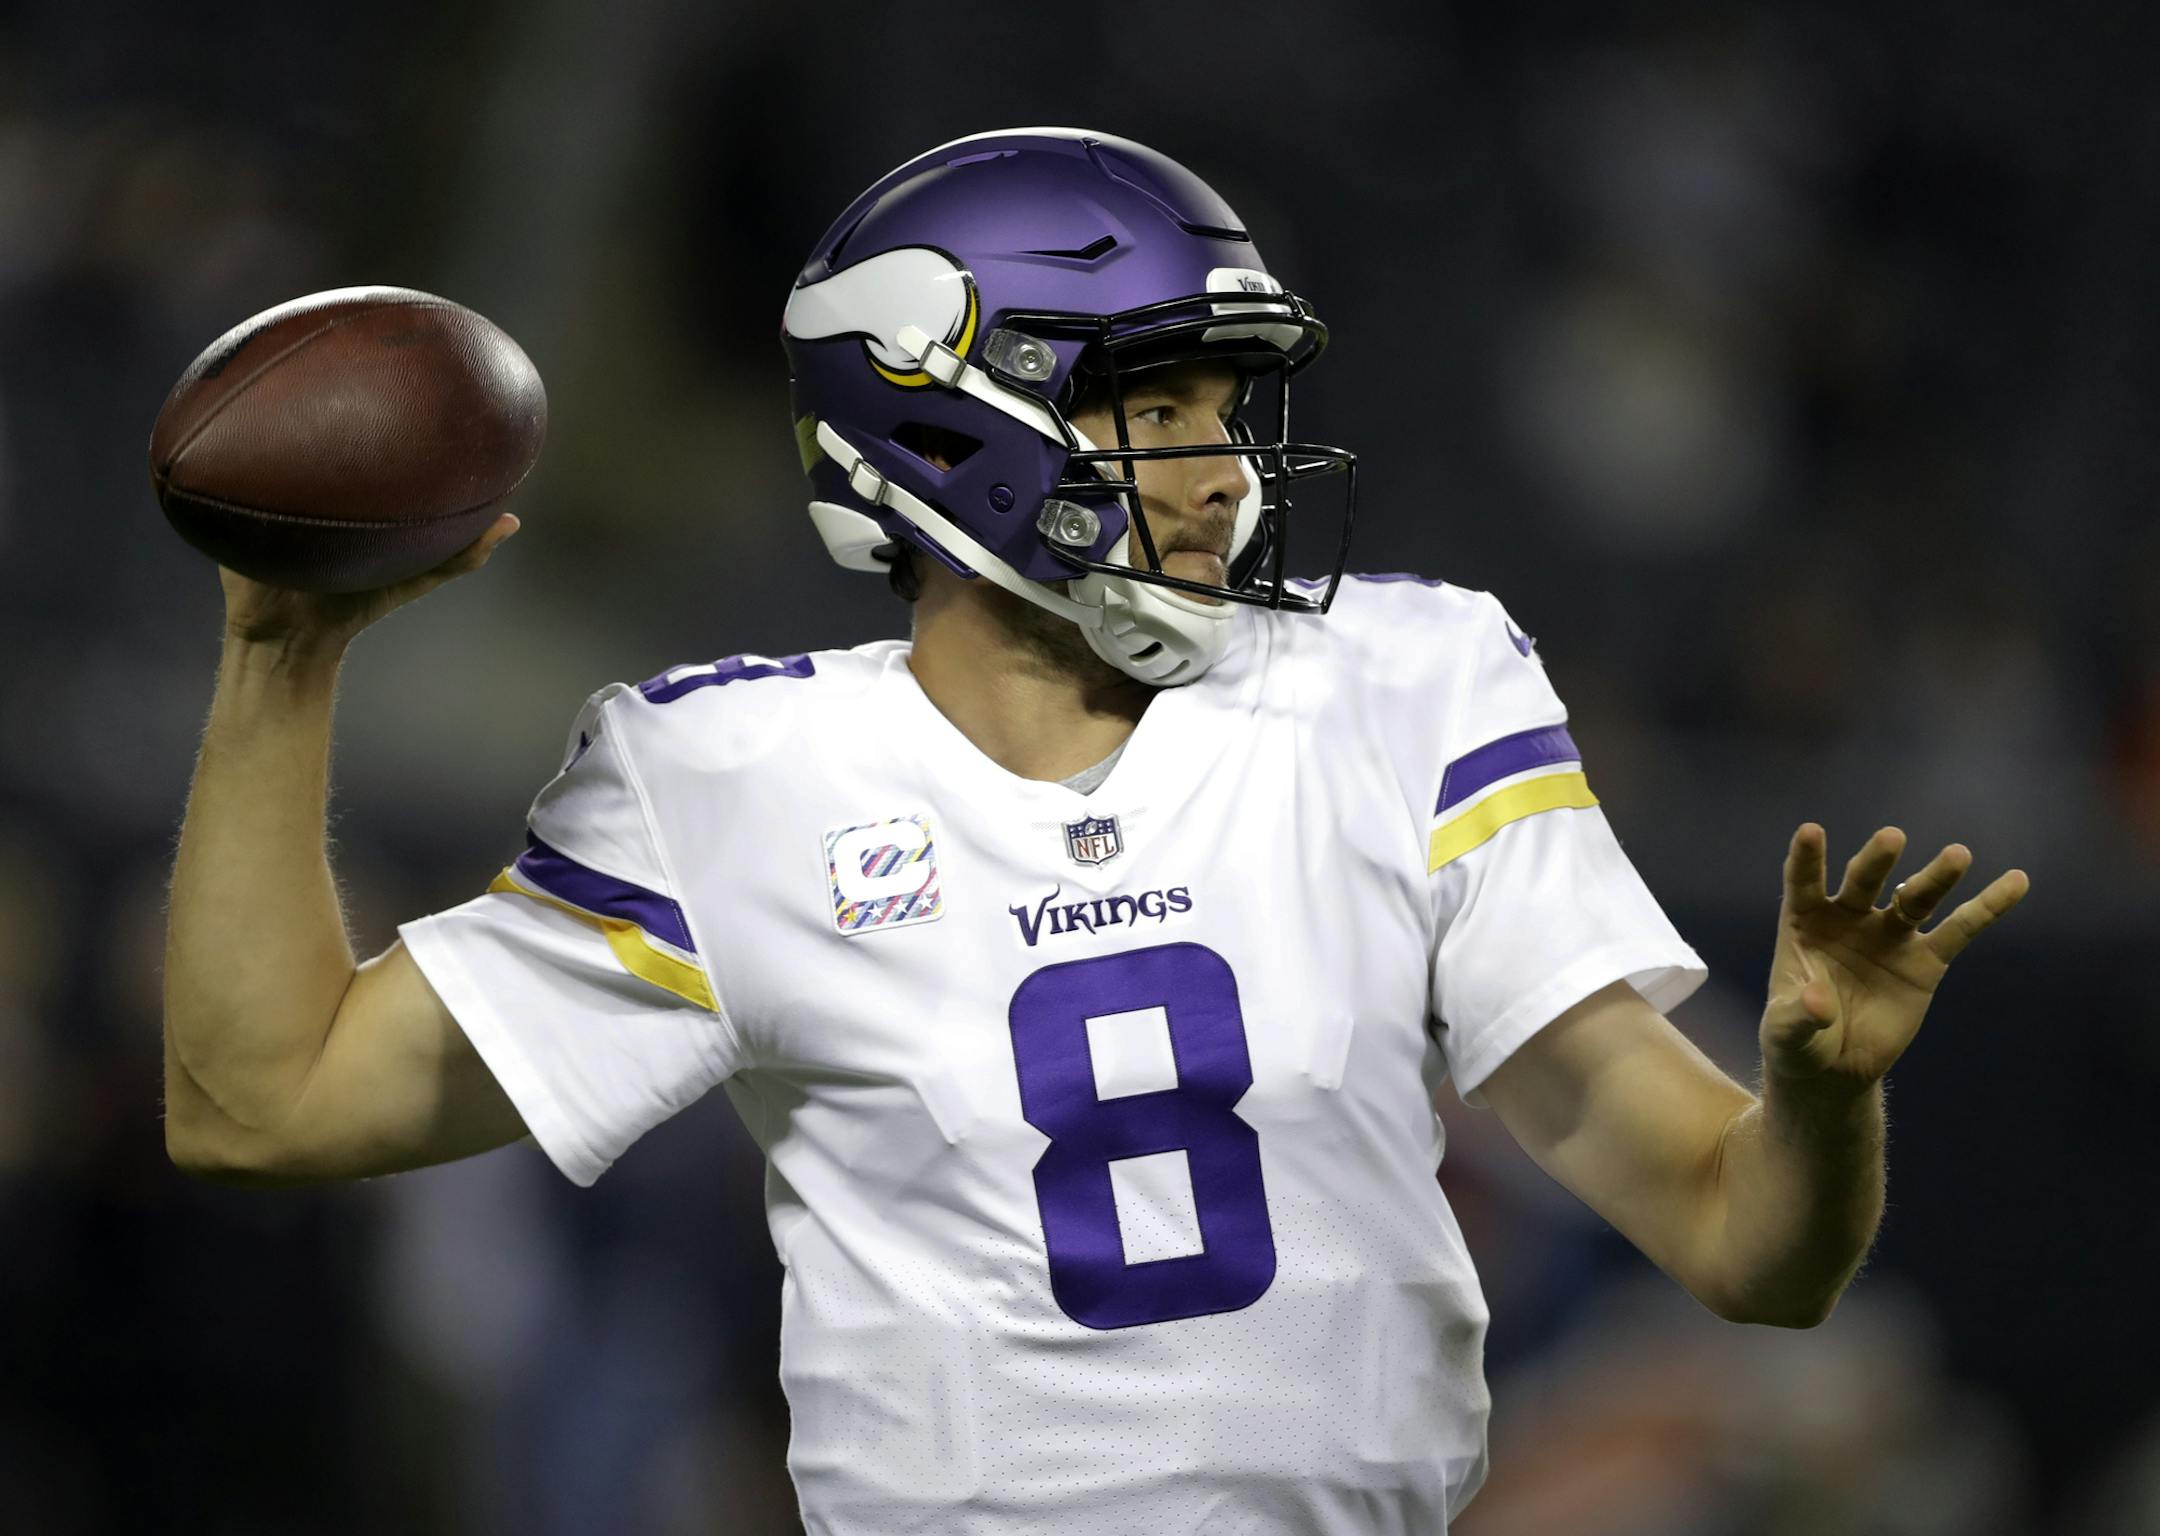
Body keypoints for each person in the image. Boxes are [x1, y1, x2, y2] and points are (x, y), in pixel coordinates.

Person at [162, 129, 2030, 1534]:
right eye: (1154, 407)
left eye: (1230, 407)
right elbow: (261, 1107)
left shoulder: (1402, 680)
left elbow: (1747, 1251)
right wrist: (280, 659)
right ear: (948, 422)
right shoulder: (730, 779)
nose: (1222, 467)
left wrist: (1824, 1094)